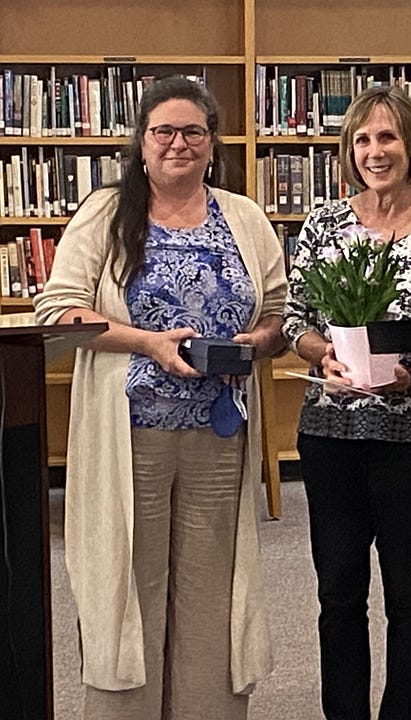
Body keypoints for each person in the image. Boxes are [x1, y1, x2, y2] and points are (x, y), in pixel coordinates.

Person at [34, 76, 287, 719]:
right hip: (129, 437)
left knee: (209, 591)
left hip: (219, 435)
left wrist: (252, 343)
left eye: (193, 132)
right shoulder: (105, 213)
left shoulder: (245, 218)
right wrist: (146, 342)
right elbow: (60, 310)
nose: (179, 144)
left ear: (212, 142)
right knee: (131, 586)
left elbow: (281, 316)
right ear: (141, 143)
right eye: (164, 132)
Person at [282, 85, 411, 720]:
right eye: (363, 139)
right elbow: (294, 321)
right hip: (331, 433)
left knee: (407, 587)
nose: (376, 151)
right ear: (350, 150)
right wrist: (325, 357)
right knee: (339, 591)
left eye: (388, 137)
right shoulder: (323, 224)